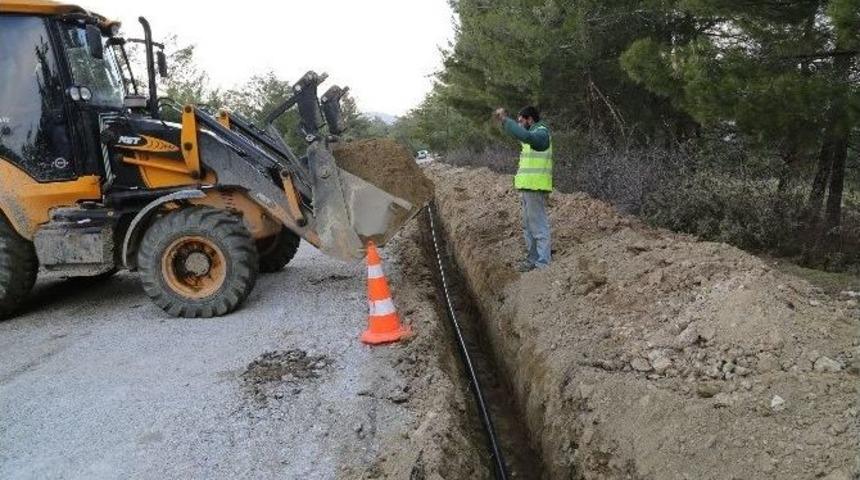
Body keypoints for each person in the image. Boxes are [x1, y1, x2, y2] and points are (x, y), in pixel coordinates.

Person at [494, 106, 553, 272]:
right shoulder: (531, 135)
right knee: (528, 226)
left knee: (538, 226)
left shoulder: (541, 134)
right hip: (528, 187)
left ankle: (543, 263)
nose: (519, 125)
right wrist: (505, 125)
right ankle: (533, 259)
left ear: (530, 119)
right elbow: (520, 135)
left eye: (521, 121)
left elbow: (525, 136)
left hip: (536, 186)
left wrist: (506, 120)